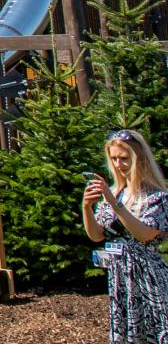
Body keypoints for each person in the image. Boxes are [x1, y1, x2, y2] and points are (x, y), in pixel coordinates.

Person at [83, 126, 168, 343]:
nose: (119, 165)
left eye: (124, 158)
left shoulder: (156, 198)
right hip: (120, 279)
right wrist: (86, 208)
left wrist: (115, 204)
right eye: (114, 159)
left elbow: (144, 234)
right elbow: (96, 236)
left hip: (149, 279)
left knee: (154, 332)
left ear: (139, 159)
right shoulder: (115, 193)